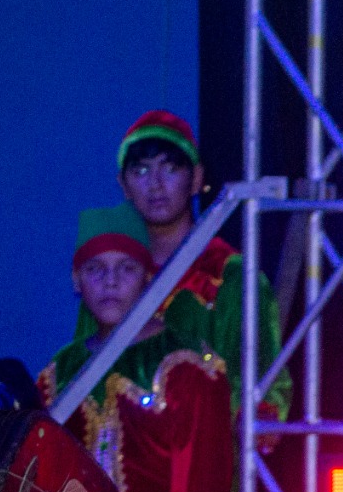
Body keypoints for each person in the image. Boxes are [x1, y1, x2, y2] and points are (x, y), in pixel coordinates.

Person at [39, 208, 237, 492]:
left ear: (148, 278)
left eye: (127, 268)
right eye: (95, 269)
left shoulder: (186, 367)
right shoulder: (59, 373)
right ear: (76, 280)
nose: (111, 282)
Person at [102, 111, 290, 423]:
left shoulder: (231, 276)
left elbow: (260, 390)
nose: (155, 184)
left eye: (170, 169)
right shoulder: (112, 278)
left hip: (202, 449)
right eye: (142, 170)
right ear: (124, 184)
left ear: (197, 179)